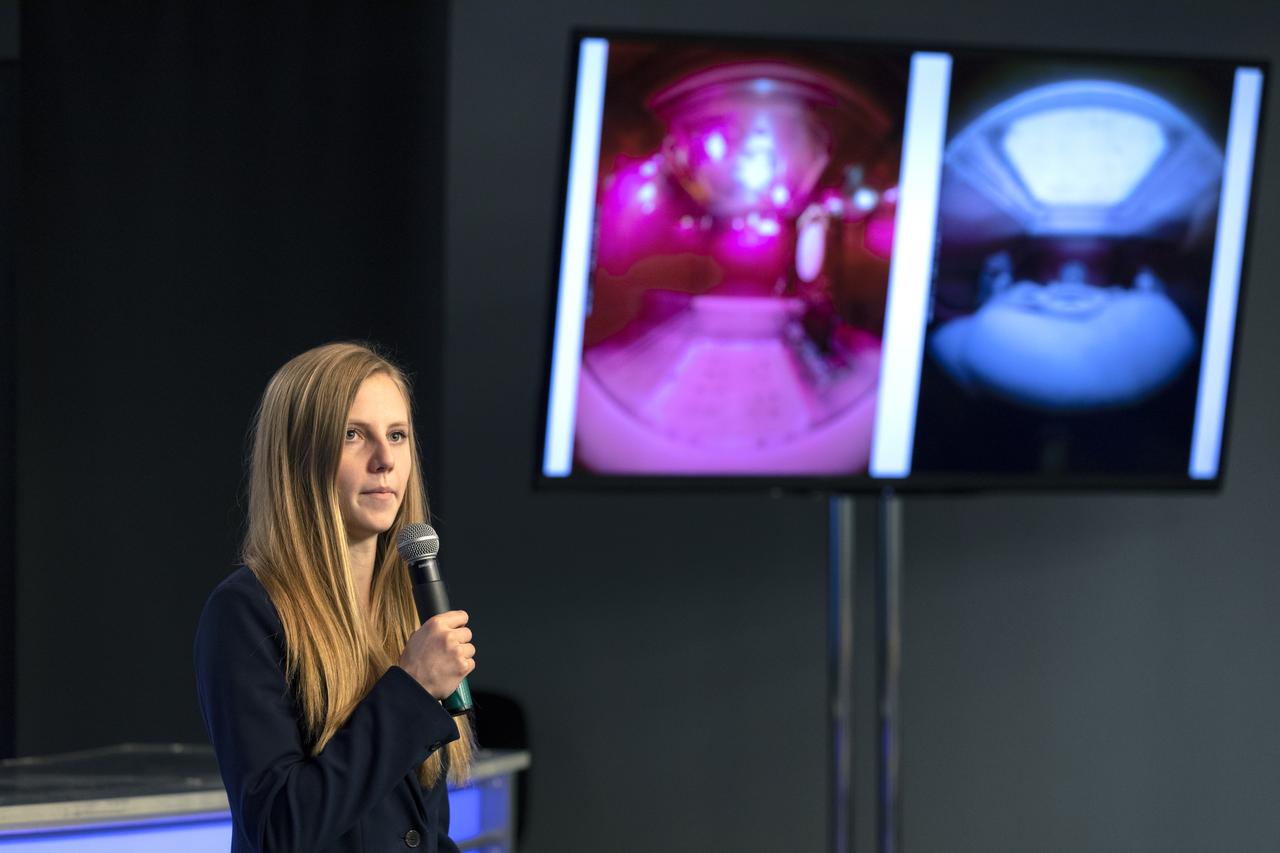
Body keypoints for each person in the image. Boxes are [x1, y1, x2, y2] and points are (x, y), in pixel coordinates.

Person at [194, 341, 477, 853]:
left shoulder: (406, 605)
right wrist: (411, 688)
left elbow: (416, 831)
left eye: (397, 435)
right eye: (353, 436)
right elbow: (280, 828)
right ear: (300, 456)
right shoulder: (246, 612)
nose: (384, 460)